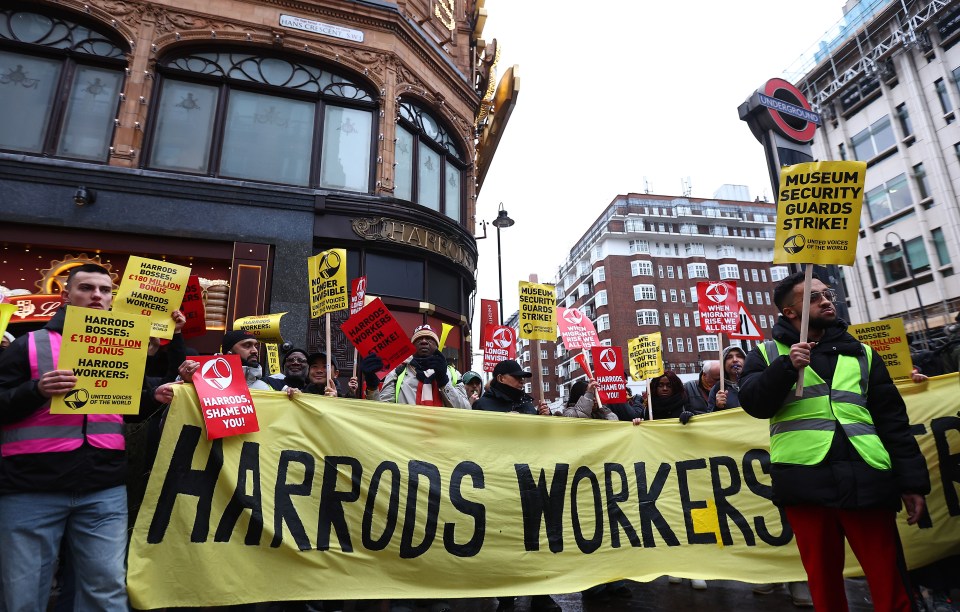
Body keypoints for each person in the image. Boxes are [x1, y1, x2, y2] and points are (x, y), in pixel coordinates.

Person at [739, 271, 930, 611]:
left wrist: (912, 483)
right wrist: (785, 367)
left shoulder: (864, 354)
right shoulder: (766, 354)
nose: (827, 300)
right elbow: (754, 403)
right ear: (790, 313)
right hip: (806, 482)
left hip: (867, 477)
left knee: (889, 579)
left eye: (827, 294)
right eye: (813, 297)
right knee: (824, 584)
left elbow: (893, 423)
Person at [0, 263, 168, 610]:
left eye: (105, 290)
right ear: (66, 296)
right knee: (23, 596)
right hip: (31, 489)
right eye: (86, 288)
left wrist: (155, 397)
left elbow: (127, 407)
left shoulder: (124, 347)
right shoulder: (28, 345)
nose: (97, 295)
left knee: (106, 590)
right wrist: (36, 390)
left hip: (102, 490)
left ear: (111, 299)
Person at [360, 324, 469, 409]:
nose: (424, 341)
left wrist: (444, 382)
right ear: (412, 346)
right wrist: (372, 386)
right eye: (419, 339)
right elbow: (381, 413)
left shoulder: (453, 374)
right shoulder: (397, 372)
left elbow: (466, 411)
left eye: (429, 339)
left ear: (437, 345)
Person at [473, 359, 550, 415]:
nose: (522, 381)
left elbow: (537, 433)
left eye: (522, 377)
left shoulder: (526, 404)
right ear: (501, 378)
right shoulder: (482, 405)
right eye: (517, 377)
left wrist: (541, 415)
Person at [707, 346, 745, 412]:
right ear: (723, 364)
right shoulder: (718, 389)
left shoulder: (755, 383)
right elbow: (710, 419)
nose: (735, 360)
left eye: (739, 356)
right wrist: (717, 407)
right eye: (729, 357)